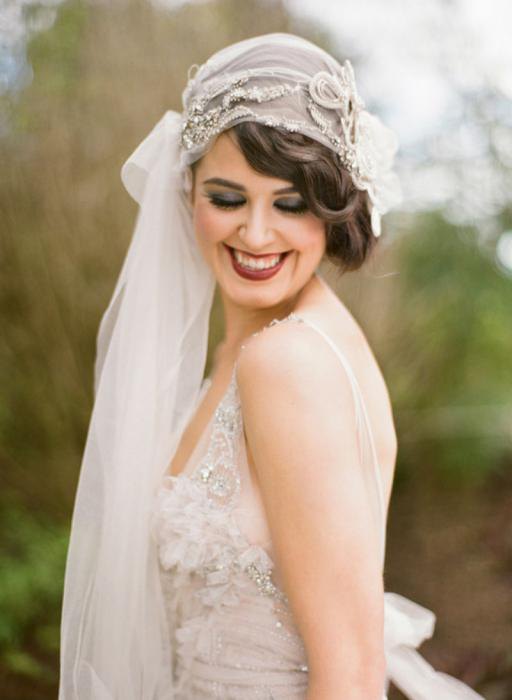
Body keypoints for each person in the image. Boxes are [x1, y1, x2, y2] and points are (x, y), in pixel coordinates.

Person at [58, 33, 486, 700]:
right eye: (228, 198)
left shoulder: (288, 364)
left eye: (289, 204)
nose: (256, 235)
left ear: (333, 208)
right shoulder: (251, 351)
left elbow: (349, 674)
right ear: (187, 190)